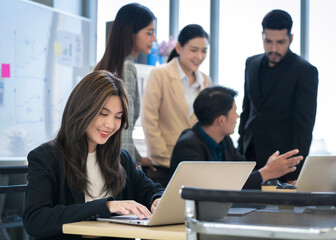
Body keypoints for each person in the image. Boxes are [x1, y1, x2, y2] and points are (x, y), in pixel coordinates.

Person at [23, 71, 163, 240]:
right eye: (103, 114)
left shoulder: (120, 158)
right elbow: (35, 220)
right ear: (82, 109)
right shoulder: (47, 157)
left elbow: (150, 190)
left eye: (118, 117)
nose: (110, 124)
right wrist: (106, 206)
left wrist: (157, 200)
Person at [237, 9, 318, 183]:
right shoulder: (251, 63)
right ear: (262, 36)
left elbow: (304, 126)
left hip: (282, 164)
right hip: (248, 159)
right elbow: (247, 110)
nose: (274, 48)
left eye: (280, 42)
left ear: (291, 38)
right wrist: (240, 149)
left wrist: (294, 174)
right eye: (268, 41)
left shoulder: (305, 72)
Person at [170, 86, 303, 189]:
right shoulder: (188, 146)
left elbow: (244, 172)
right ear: (221, 120)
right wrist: (266, 172)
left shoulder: (224, 141)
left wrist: (272, 173)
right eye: (234, 112)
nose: (237, 117)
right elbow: (213, 188)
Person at [141, 24, 211, 187]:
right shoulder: (160, 74)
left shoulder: (206, 80)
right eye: (194, 50)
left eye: (204, 51)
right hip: (164, 166)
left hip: (195, 165)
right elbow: (149, 119)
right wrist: (163, 157)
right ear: (179, 48)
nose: (199, 56)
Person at [95, 3, 156, 169]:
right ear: (131, 33)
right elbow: (123, 126)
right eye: (149, 33)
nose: (154, 39)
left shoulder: (108, 63)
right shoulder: (126, 67)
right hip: (114, 164)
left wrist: (137, 156)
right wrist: (129, 168)